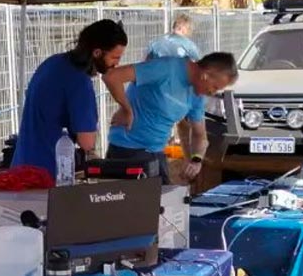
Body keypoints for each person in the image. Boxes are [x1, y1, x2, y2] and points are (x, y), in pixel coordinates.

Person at [12, 19, 128, 176]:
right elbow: (87, 142)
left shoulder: (52, 63)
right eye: (115, 58)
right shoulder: (79, 82)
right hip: (47, 173)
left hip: (21, 164)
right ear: (97, 53)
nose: (116, 64)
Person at [102, 51, 238, 184]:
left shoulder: (197, 95)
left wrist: (196, 160)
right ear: (205, 75)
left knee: (168, 203)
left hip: (155, 152)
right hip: (127, 149)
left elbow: (200, 136)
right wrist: (126, 109)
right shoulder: (167, 68)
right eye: (214, 87)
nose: (212, 92)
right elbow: (112, 77)